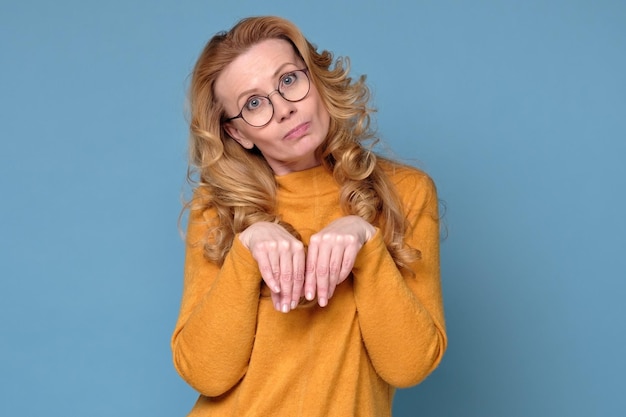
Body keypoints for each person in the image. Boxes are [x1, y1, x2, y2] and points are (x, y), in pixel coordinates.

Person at [171, 15, 447, 417]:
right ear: (238, 134)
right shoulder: (217, 208)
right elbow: (205, 374)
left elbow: (409, 366)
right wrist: (247, 250)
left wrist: (367, 245)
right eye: (253, 104)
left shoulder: (407, 193)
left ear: (314, 79)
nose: (283, 109)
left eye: (288, 81)